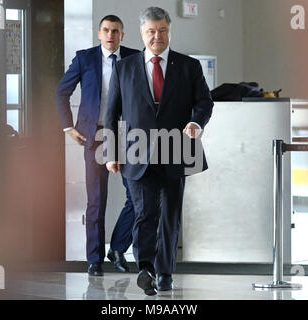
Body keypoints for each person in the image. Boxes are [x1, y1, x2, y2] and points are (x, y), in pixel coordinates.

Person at [104, 7, 213, 295]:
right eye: (151, 31)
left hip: (176, 149)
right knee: (144, 212)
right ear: (142, 33)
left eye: (162, 30)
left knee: (170, 215)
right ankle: (146, 267)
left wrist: (195, 122)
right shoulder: (124, 67)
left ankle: (165, 273)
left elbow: (205, 102)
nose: (157, 36)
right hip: (136, 152)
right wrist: (111, 152)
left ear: (169, 31)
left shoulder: (188, 66)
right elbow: (111, 113)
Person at [56, 15, 140, 276]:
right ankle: (94, 259)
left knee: (138, 199)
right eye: (106, 30)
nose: (110, 35)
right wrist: (68, 127)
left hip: (128, 135)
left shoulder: (135, 58)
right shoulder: (85, 58)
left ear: (122, 35)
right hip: (96, 135)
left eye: (115, 31)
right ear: (99, 33)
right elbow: (61, 91)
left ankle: (117, 247)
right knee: (96, 200)